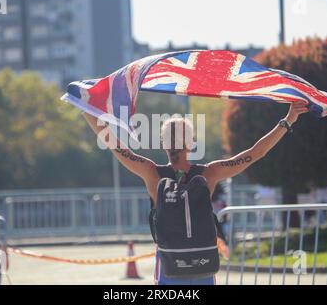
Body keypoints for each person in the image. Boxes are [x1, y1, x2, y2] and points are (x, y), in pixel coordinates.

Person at [83, 102, 308, 285]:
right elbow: (255, 153)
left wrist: (87, 109)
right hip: (203, 263)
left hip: (169, 265)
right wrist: (287, 120)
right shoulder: (210, 173)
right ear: (190, 144)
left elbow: (116, 145)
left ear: (163, 143)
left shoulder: (152, 173)